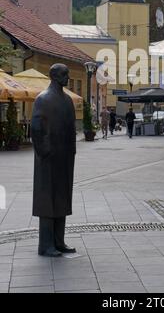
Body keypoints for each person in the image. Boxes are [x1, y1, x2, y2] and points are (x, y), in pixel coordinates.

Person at [31, 64, 76, 257]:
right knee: (48, 200)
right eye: (64, 74)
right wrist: (44, 152)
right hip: (48, 159)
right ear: (54, 76)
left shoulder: (67, 100)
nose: (67, 77)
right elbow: (36, 127)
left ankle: (59, 241)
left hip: (64, 157)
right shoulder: (43, 99)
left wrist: (71, 151)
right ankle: (45, 244)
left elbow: (72, 128)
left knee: (62, 198)